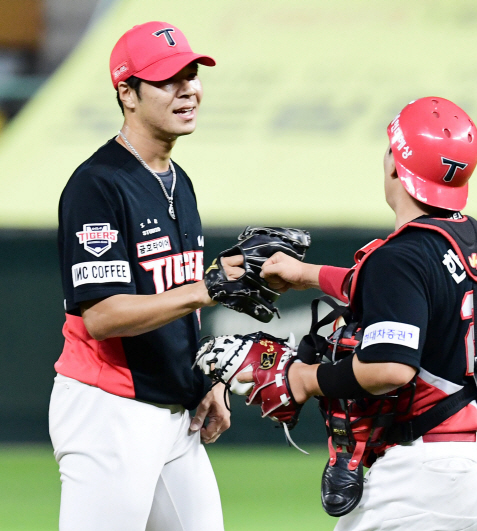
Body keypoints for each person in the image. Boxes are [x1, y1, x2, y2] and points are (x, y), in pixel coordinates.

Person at [254, 97, 477, 530]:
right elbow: (394, 287)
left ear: (395, 166)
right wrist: (307, 274)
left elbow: (390, 367)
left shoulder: (401, 256)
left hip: (438, 474)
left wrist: (304, 379)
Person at [50, 22, 241, 531]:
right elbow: (105, 315)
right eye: (166, 78)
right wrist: (209, 286)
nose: (187, 88)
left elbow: (173, 302)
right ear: (126, 93)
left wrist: (202, 379)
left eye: (192, 74)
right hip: (108, 409)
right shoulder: (98, 185)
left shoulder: (179, 180)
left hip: (174, 414)